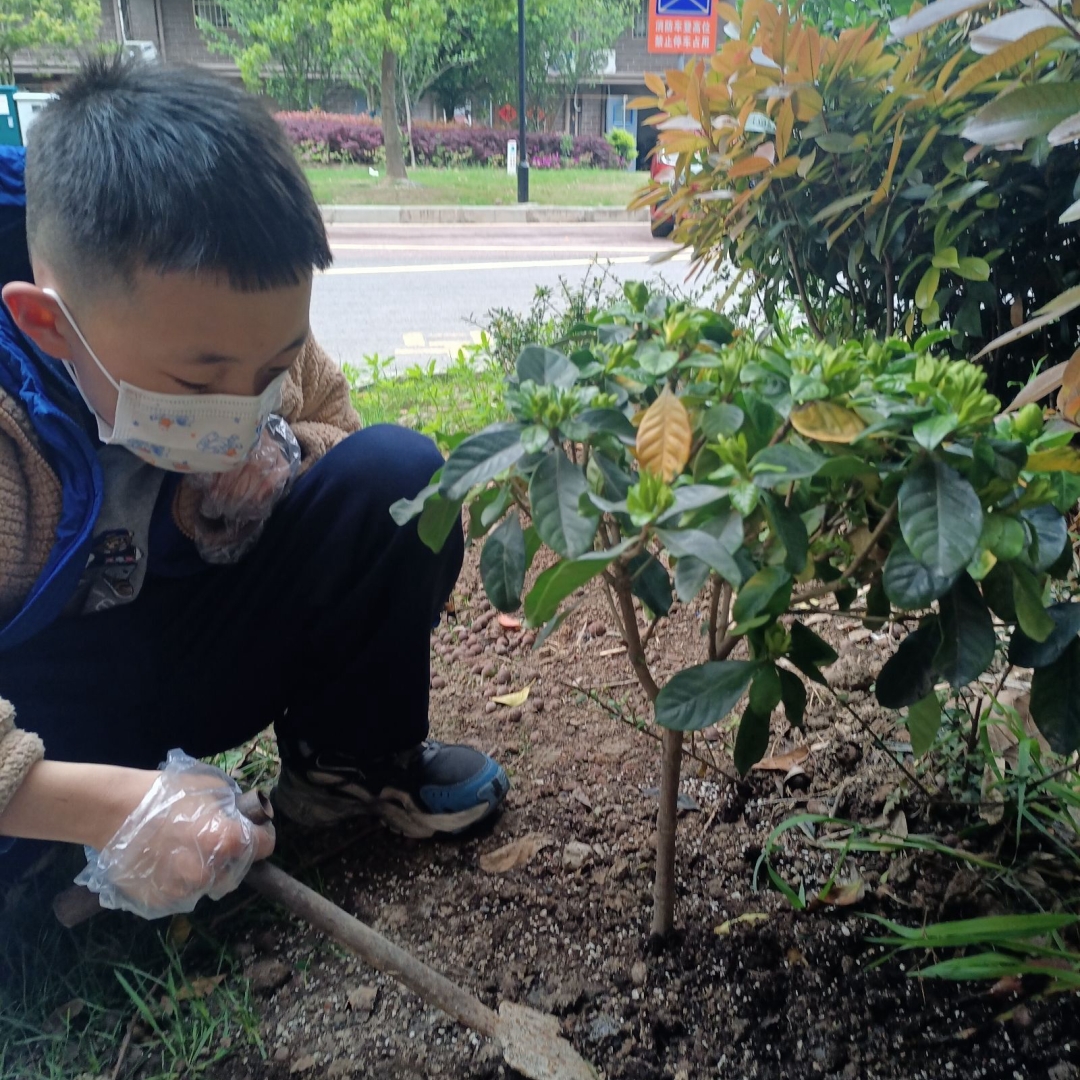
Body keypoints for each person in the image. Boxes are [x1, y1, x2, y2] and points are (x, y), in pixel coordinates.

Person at [0, 57, 508, 918]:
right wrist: (101, 805)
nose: (241, 403)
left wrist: (283, 453)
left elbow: (339, 434)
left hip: (195, 654)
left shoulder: (243, 335)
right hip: (49, 712)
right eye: (199, 386)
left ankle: (347, 769)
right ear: (47, 323)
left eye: (271, 366)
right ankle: (45, 846)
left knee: (394, 478)